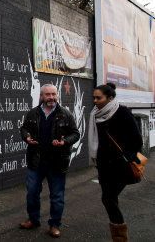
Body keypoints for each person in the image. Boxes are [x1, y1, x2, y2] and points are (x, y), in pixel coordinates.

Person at [19, 84, 80, 238]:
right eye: (48, 94)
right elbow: (24, 128)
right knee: (32, 193)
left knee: (57, 196)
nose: (51, 97)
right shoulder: (33, 113)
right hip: (36, 161)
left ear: (57, 95)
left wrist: (65, 142)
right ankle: (33, 220)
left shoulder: (65, 114)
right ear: (42, 96)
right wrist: (26, 137)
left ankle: (54, 225)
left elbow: (75, 133)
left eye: (54, 94)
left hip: (57, 162)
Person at [88, 83, 143, 242]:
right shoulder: (95, 114)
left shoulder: (123, 112)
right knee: (110, 199)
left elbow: (137, 141)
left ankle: (120, 238)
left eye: (99, 98)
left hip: (121, 166)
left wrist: (126, 157)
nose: (95, 101)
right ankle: (119, 235)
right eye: (94, 97)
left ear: (110, 98)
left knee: (108, 199)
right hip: (104, 166)